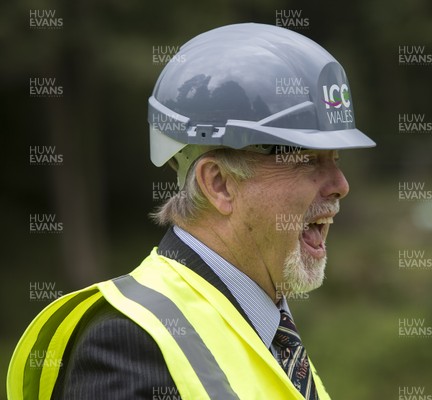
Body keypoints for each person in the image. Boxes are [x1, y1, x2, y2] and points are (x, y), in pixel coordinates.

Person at [7, 23, 375, 399]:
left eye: (336, 158)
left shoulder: (272, 332)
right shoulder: (129, 343)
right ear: (218, 183)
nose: (340, 185)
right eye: (307, 160)